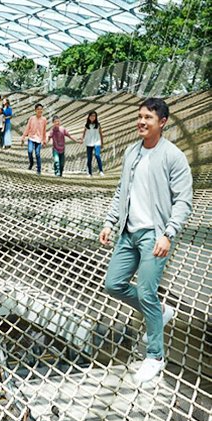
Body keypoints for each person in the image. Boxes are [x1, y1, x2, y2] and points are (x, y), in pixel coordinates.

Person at [99, 98, 192, 384]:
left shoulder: (172, 156)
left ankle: (155, 357)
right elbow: (121, 191)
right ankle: (160, 312)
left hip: (155, 234)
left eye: (148, 117)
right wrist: (109, 222)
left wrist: (168, 233)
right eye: (139, 116)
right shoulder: (132, 152)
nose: (141, 122)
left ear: (162, 122)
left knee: (146, 293)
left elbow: (184, 201)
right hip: (129, 231)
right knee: (113, 284)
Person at [21, 104, 48, 175]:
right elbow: (27, 127)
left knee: (37, 153)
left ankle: (39, 169)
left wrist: (44, 140)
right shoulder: (32, 118)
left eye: (41, 109)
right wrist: (23, 137)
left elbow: (44, 131)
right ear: (35, 110)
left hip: (39, 139)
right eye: (38, 109)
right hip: (31, 137)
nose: (40, 110)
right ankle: (31, 163)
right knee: (30, 151)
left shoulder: (44, 119)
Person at [81, 110, 105, 176]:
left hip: (97, 142)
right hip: (89, 142)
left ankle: (101, 171)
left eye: (94, 116)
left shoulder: (98, 125)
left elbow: (101, 134)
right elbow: (84, 133)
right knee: (89, 158)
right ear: (89, 117)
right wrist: (82, 139)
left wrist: (102, 143)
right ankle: (89, 172)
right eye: (91, 116)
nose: (93, 117)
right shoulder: (86, 125)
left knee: (97, 155)